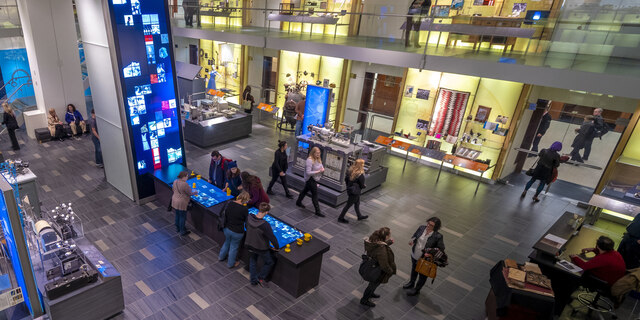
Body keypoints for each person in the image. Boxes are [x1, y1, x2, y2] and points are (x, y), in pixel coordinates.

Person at [404, 217, 445, 296]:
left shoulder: (438, 236)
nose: (428, 226)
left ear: (436, 227)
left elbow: (441, 248)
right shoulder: (421, 228)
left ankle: (417, 289)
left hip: (425, 259)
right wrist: (412, 241)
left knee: (423, 275)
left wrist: (430, 253)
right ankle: (411, 283)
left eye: (431, 225)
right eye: (428, 223)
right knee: (414, 269)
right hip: (415, 254)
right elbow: (415, 236)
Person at [244, 202, 279, 287]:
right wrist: (276, 247)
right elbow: (272, 238)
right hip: (261, 248)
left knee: (253, 261)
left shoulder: (249, 217)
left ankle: (253, 280)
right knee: (269, 262)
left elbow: (246, 226)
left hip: (250, 244)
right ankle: (260, 277)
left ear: (259, 209)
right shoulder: (265, 225)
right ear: (266, 212)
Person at [361, 227, 396, 307]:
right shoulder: (382, 249)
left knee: (373, 284)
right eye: (389, 234)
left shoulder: (374, 239)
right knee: (373, 284)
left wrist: (388, 243)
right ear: (386, 236)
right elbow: (384, 264)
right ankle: (364, 299)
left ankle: (371, 293)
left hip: (372, 266)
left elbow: (378, 245)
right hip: (377, 269)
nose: (390, 235)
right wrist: (390, 271)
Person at [219, 191, 250, 268]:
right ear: (245, 200)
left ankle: (221, 257)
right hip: (237, 232)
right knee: (234, 247)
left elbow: (221, 213)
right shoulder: (244, 209)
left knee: (226, 242)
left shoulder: (229, 203)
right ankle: (230, 264)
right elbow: (246, 221)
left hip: (226, 229)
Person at [296, 146, 325, 217]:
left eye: (319, 153)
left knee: (305, 190)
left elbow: (320, 166)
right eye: (317, 153)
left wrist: (322, 169)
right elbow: (308, 172)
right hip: (310, 179)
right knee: (315, 195)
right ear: (313, 153)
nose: (318, 154)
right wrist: (318, 171)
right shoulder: (309, 160)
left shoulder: (318, 159)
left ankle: (298, 202)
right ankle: (317, 211)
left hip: (314, 179)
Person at [338, 159, 368, 223]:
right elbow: (362, 185)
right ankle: (341, 217)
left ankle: (359, 216)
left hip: (350, 190)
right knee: (348, 205)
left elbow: (346, 179)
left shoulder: (350, 171)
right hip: (355, 192)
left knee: (357, 203)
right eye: (363, 164)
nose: (363, 165)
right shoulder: (360, 174)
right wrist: (364, 186)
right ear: (361, 165)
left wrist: (349, 186)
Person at [172, 171, 198, 236]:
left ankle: (177, 228)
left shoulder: (175, 181)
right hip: (181, 202)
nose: (187, 178)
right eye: (186, 176)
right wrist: (196, 192)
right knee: (182, 216)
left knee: (177, 214)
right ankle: (182, 231)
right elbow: (190, 193)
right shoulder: (184, 184)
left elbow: (173, 189)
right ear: (183, 177)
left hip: (174, 200)